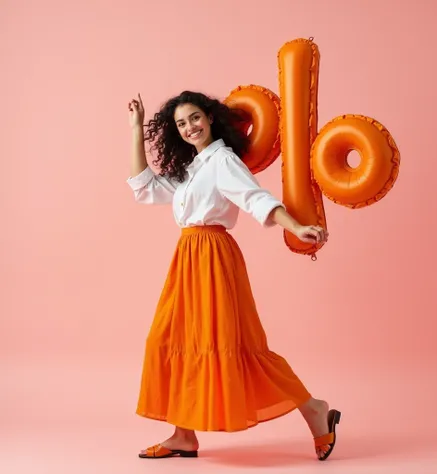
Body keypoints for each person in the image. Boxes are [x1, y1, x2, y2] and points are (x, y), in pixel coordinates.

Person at [126, 91, 341, 462]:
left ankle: (314, 409)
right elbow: (143, 188)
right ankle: (183, 436)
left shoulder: (222, 161)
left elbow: (257, 199)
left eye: (195, 118)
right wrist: (134, 129)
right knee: (174, 339)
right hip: (187, 258)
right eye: (181, 123)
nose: (190, 127)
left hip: (212, 259)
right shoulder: (193, 170)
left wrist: (296, 226)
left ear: (210, 118)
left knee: (237, 348)